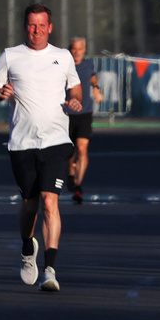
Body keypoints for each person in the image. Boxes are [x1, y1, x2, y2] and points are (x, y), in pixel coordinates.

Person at [0, 4, 83, 293]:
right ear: (25, 26)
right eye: (32, 25)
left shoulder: (62, 56)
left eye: (42, 25)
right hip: (22, 144)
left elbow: (75, 87)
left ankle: (50, 270)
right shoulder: (10, 55)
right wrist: (0, 92)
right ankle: (28, 248)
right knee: (30, 205)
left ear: (50, 27)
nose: (37, 31)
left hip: (56, 141)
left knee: (50, 201)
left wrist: (75, 99)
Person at [65, 37, 103, 204]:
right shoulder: (64, 65)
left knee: (82, 148)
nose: (77, 52)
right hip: (66, 114)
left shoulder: (88, 65)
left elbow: (92, 77)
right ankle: (70, 174)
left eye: (80, 49)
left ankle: (78, 186)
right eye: (74, 49)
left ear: (84, 50)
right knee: (70, 151)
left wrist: (96, 88)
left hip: (85, 113)